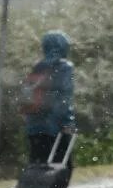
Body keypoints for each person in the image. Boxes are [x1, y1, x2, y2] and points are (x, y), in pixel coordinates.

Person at [20, 31, 76, 178]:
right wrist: (67, 123)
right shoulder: (64, 67)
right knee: (62, 165)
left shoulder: (37, 66)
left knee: (37, 165)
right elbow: (64, 96)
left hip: (33, 126)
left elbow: (28, 94)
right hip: (55, 125)